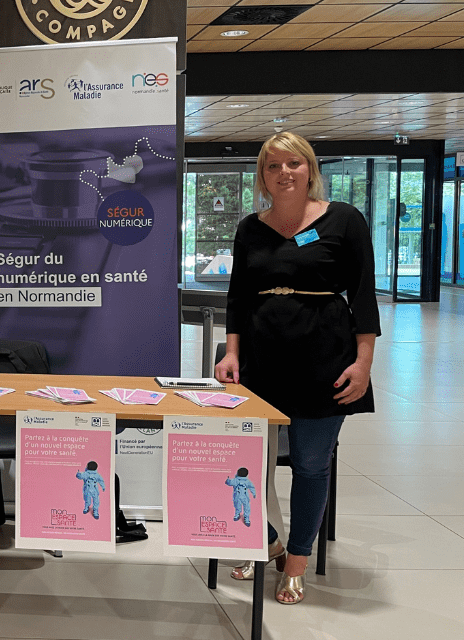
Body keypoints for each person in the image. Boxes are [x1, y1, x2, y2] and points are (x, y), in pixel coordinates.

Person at [216, 132, 380, 605]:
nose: (284, 172)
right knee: (245, 464)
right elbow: (237, 297)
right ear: (262, 176)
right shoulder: (251, 227)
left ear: (310, 168)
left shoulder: (343, 219)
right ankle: (264, 540)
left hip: (325, 357)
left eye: (293, 163)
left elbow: (364, 295)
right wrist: (230, 352)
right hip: (260, 361)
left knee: (310, 464)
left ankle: (297, 559)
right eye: (272, 166)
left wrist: (363, 363)